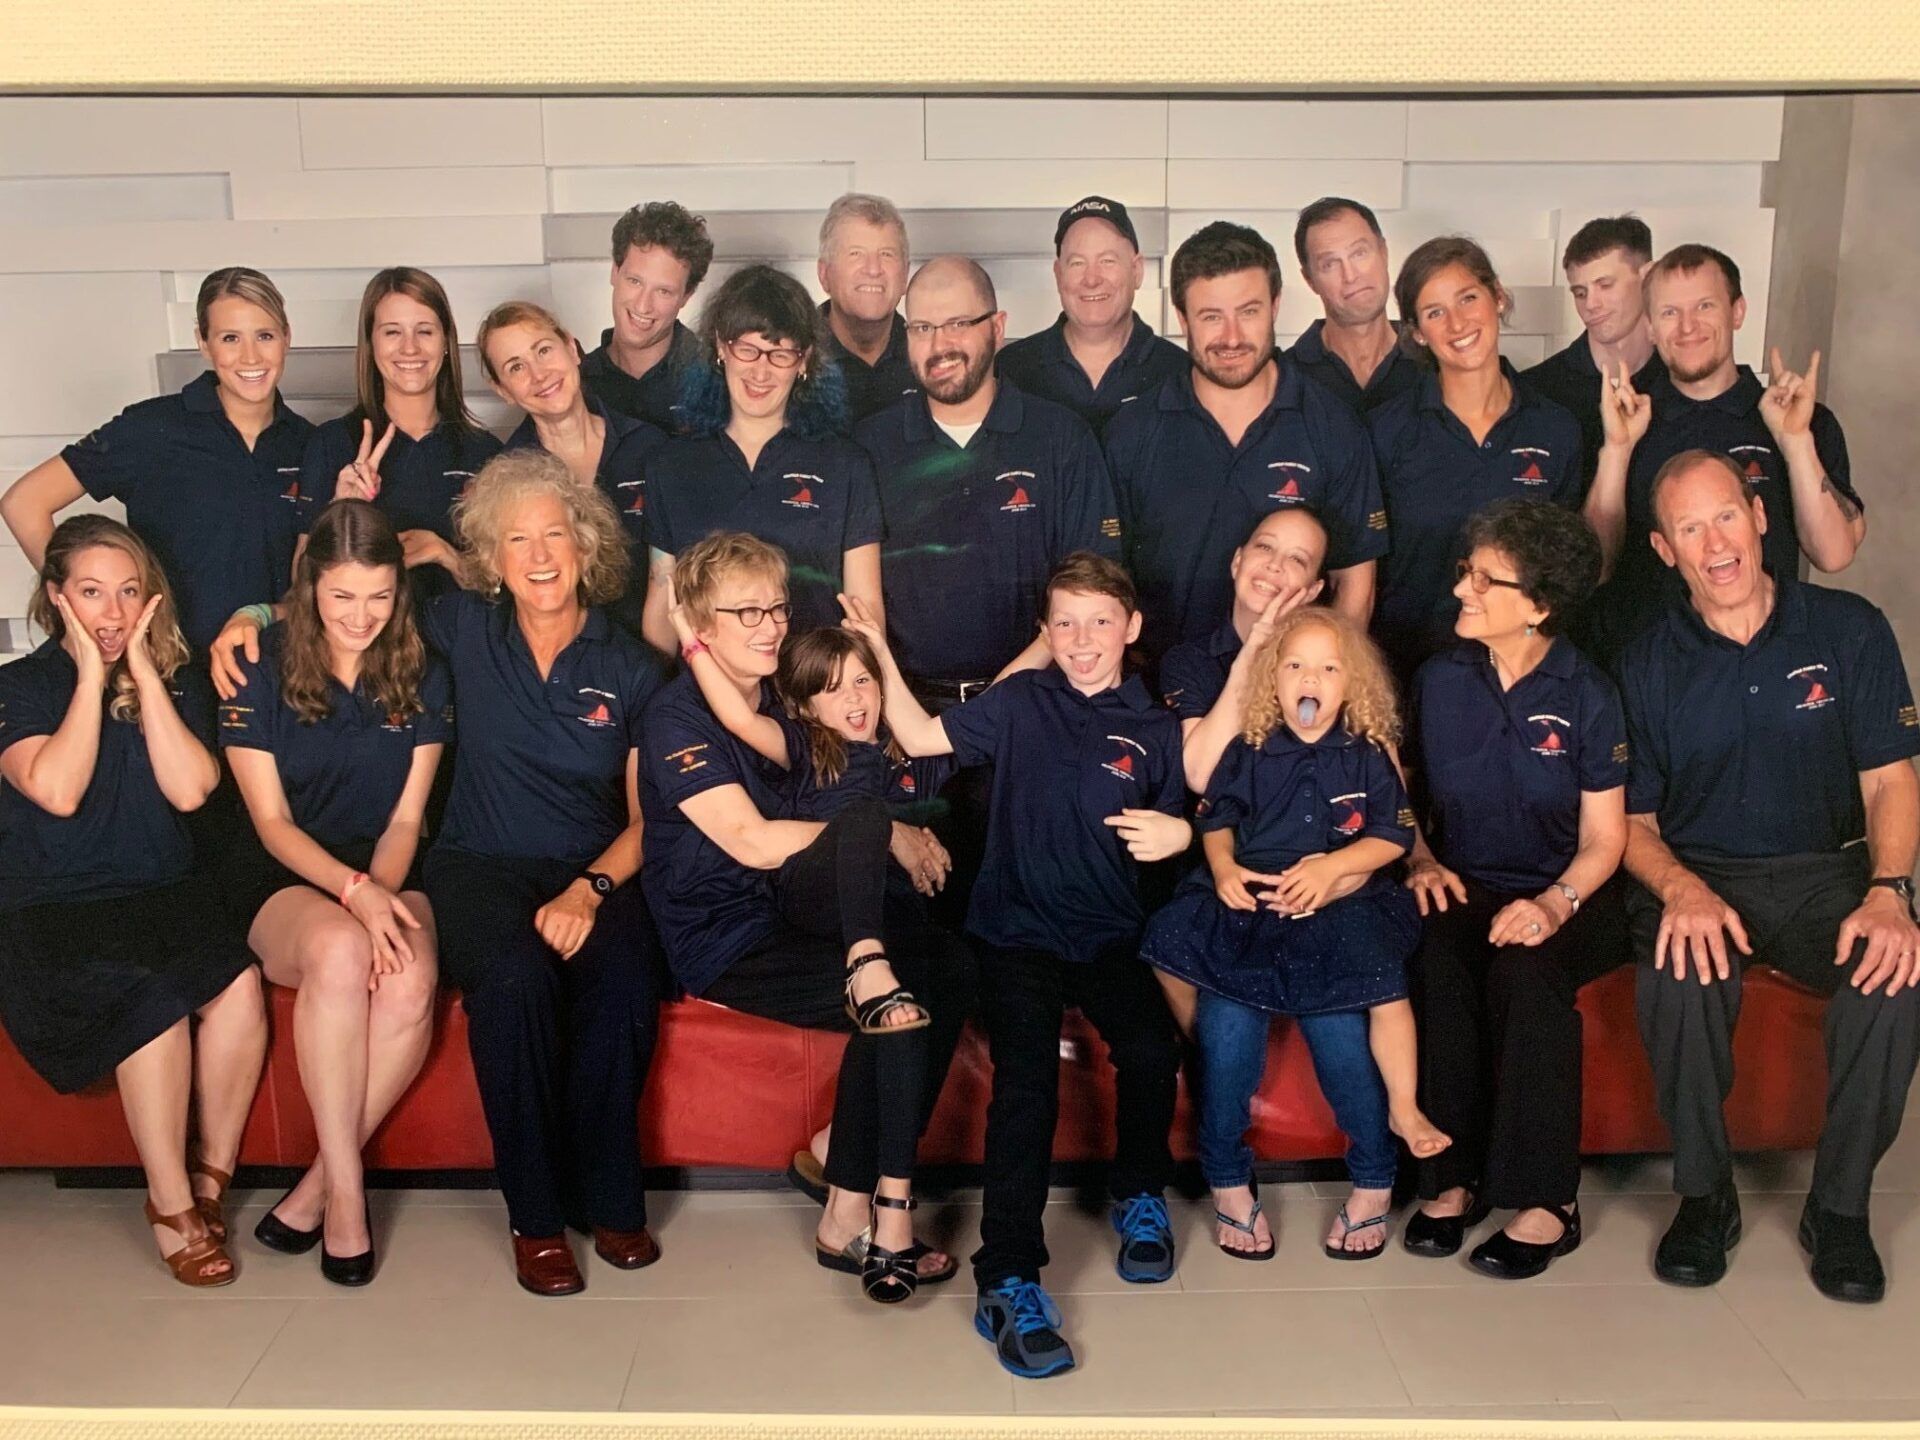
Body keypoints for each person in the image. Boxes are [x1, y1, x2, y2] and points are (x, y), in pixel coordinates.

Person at [214, 449, 665, 1297]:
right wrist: (248, 615)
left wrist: (590, 889)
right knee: (515, 981)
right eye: (516, 541)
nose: (538, 557)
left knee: (628, 979)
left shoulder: (632, 664)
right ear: (490, 559)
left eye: (555, 537)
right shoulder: (457, 628)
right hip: (478, 864)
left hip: (593, 870)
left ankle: (613, 1202)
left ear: (587, 546)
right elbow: (348, 596)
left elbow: (648, 821)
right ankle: (535, 1220)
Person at [855, 553, 1187, 1379]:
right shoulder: (1018, 703)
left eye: (1099, 621)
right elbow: (923, 736)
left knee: (1153, 1049)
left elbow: (1213, 809)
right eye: (1064, 622)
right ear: (1045, 631)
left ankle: (1140, 1193)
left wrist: (1184, 835)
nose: (1081, 640)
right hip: (1016, 932)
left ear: (1132, 628)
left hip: (1109, 932)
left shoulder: (1156, 725)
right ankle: (1006, 1275)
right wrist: (882, 655)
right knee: (1027, 1081)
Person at [640, 532, 976, 1302]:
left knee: (946, 969)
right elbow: (753, 842)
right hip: (729, 935)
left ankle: (840, 1173)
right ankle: (873, 1213)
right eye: (745, 611)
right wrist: (884, 831)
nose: (768, 625)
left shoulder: (787, 700)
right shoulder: (675, 718)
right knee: (899, 993)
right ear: (700, 620)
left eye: (776, 607)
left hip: (797, 911)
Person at [1619, 450, 1920, 1305]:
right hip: (1701, 872)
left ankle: (1842, 1208)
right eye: (1689, 528)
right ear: (1663, 549)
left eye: (1725, 515)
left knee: (1894, 982)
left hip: (1833, 874)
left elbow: (1891, 780)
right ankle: (1704, 1196)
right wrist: (1680, 889)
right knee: (1680, 972)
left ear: (1759, 518)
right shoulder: (1645, 663)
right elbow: (1632, 827)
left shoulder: (1849, 628)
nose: (1714, 542)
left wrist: (1890, 893)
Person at [0, 516, 265, 1286]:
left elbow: (191, 788)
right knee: (154, 1002)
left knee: (239, 986)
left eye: (127, 594)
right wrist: (89, 677)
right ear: (56, 599)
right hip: (55, 911)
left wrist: (144, 674)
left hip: (160, 894)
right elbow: (56, 789)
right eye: (91, 594)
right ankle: (171, 1204)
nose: (111, 614)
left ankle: (211, 1181)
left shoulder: (172, 682)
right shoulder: (19, 686)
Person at [1142, 606, 1444, 1265]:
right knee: (1226, 1038)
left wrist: (1337, 866)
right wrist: (1221, 866)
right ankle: (1226, 1178)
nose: (1312, 678)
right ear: (1272, 679)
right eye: (1296, 665)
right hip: (1248, 909)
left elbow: (1390, 836)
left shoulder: (1364, 752)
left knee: (1342, 1040)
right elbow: (1216, 820)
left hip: (1337, 912)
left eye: (1329, 668)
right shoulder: (1250, 746)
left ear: (1351, 684)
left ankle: (1373, 1178)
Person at [219, 501, 447, 1286]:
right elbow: (272, 823)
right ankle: (348, 1198)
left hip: (385, 865)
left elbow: (407, 817)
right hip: (283, 873)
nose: (361, 616)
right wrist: (356, 898)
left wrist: (381, 895)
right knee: (345, 953)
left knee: (410, 974)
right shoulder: (258, 661)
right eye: (343, 596)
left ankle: (316, 1184)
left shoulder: (422, 664)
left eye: (380, 596)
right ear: (311, 585)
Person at [1401, 500, 1628, 1279]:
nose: (1462, 589)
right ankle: (1448, 1180)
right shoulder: (1440, 678)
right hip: (1467, 883)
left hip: (1570, 894)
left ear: (1537, 606)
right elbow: (1400, 791)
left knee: (1527, 975)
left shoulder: (1587, 694)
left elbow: (1606, 840)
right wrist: (1421, 859)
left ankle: (1545, 1201)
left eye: (1483, 580)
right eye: (1467, 572)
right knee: (1434, 956)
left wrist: (1552, 905)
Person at [1104, 220, 1384, 664]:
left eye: (1248, 311)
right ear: (1182, 319)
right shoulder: (1133, 430)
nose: (1231, 337)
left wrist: (1322, 682)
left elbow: (1354, 581)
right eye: (1211, 316)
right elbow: (1104, 580)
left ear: (1275, 306)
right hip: (1157, 698)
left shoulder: (1333, 425)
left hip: (1282, 704)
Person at [1, 267, 315, 653]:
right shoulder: (150, 429)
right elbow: (24, 503)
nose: (250, 356)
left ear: (287, 337)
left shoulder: (310, 443)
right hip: (169, 670)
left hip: (277, 674)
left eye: (264, 335)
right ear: (203, 342)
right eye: (229, 337)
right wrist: (84, 613)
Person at [1583, 243, 1863, 660]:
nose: (1687, 327)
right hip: (1643, 671)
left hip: (1766, 665)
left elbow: (1834, 554)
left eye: (1705, 307)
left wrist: (1796, 442)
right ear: (1651, 328)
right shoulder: (1617, 422)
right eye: (1670, 313)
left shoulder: (1802, 420)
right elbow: (1593, 569)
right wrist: (1618, 450)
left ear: (1737, 312)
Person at [1369, 236, 1584, 683]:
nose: (1457, 323)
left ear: (1498, 297)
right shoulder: (1385, 431)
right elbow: (1360, 575)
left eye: (1468, 298)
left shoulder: (1556, 429)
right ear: (1416, 333)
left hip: (1522, 682)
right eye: (1434, 312)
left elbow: (1568, 571)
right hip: (1405, 672)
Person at [639, 265, 884, 650]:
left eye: (780, 354)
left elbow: (864, 612)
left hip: (813, 695)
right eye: (747, 349)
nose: (761, 370)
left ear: (804, 361)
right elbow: (662, 609)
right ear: (721, 348)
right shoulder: (670, 466)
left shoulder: (845, 465)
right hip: (707, 694)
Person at [1155, 507, 1328, 1035]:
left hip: (1315, 867)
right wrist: (1255, 650)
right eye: (1264, 548)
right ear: (1236, 561)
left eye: (1296, 560)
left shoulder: (1333, 661)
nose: (1274, 567)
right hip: (1224, 863)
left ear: (1315, 587)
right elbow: (1203, 773)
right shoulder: (1190, 660)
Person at [302, 266, 502, 603]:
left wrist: (444, 554)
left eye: (424, 331)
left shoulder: (486, 453)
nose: (410, 348)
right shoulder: (331, 445)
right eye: (392, 332)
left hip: (464, 652)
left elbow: (509, 584)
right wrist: (341, 509)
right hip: (368, 650)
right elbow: (301, 584)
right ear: (371, 343)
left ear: (446, 343)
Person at [479, 300, 667, 640]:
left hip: (652, 659)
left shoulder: (651, 446)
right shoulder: (505, 480)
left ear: (571, 347)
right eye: (516, 368)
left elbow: (670, 577)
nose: (539, 374)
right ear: (502, 390)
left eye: (544, 350)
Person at [996, 196, 1186, 436]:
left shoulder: (1180, 372)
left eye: (1107, 261)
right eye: (1077, 263)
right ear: (1058, 274)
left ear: (1137, 271)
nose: (1092, 279)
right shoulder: (1011, 370)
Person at [1519, 215, 1665, 488]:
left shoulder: (1682, 379)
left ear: (1648, 277)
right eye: (1580, 292)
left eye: (1605, 285)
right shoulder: (1536, 391)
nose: (1591, 304)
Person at [579, 200, 714, 432]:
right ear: (615, 272)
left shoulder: (714, 381)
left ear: (686, 296)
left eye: (663, 291)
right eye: (635, 281)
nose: (643, 305)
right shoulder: (577, 383)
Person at [1284, 197, 1422, 414]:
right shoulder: (1283, 380)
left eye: (1359, 253)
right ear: (1310, 280)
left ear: (1383, 252)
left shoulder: (1434, 363)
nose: (1350, 276)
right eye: (1329, 264)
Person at [816, 193, 915, 424]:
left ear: (905, 276)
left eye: (886, 254)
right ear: (824, 274)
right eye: (856, 254)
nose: (873, 269)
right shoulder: (787, 358)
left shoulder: (931, 356)